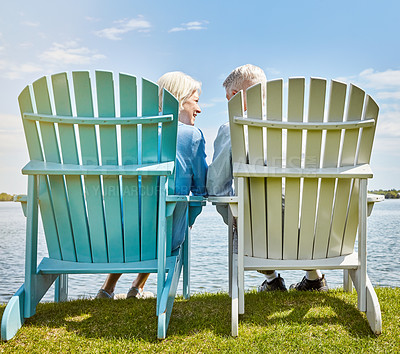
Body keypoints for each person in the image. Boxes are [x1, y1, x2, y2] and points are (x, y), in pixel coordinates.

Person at [206, 64, 328, 292]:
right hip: (311, 230)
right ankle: (314, 277)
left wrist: (232, 220)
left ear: (235, 97)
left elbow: (216, 186)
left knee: (241, 219)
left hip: (257, 236)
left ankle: (272, 280)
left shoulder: (231, 129)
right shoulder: (295, 129)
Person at [97, 71, 207, 299]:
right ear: (179, 99)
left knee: (144, 212)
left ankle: (111, 288)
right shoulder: (191, 136)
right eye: (195, 102)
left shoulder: (134, 133)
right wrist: (189, 220)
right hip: (167, 234)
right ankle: (136, 287)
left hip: (121, 232)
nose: (198, 109)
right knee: (165, 216)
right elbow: (200, 190)